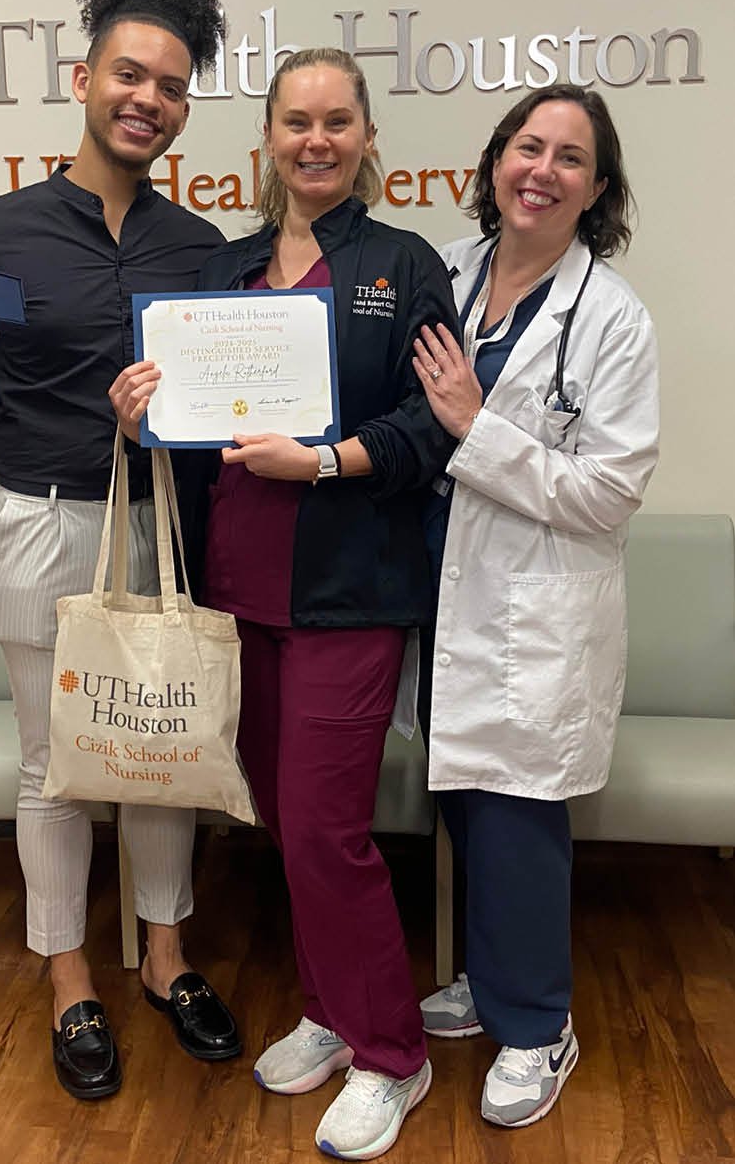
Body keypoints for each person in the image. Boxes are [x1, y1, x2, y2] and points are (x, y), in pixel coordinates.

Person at [0, 0, 239, 1099]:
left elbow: (226, 406)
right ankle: (68, 970)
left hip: (159, 528)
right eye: (129, 74)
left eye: (172, 86)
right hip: (38, 518)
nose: (148, 99)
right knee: (54, 765)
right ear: (81, 76)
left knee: (163, 755)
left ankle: (165, 957)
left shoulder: (200, 249)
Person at [117, 48, 458, 1160]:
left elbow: (428, 425)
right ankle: (330, 1006)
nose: (315, 140)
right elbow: (188, 434)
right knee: (279, 822)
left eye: (336, 121)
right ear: (265, 137)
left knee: (325, 829)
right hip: (238, 592)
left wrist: (324, 462)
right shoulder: (222, 274)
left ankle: (391, 1054)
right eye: (295, 122)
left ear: (364, 136)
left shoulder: (402, 267)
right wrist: (139, 412)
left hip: (346, 595)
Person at [407, 85, 656, 1130]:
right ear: (494, 158)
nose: (539, 169)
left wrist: (476, 428)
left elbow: (607, 488)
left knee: (515, 811)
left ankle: (536, 1021)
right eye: (525, 145)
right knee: (463, 795)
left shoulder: (611, 318)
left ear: (595, 188)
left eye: (567, 157)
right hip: (438, 581)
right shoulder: (448, 272)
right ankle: (488, 975)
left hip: (536, 606)